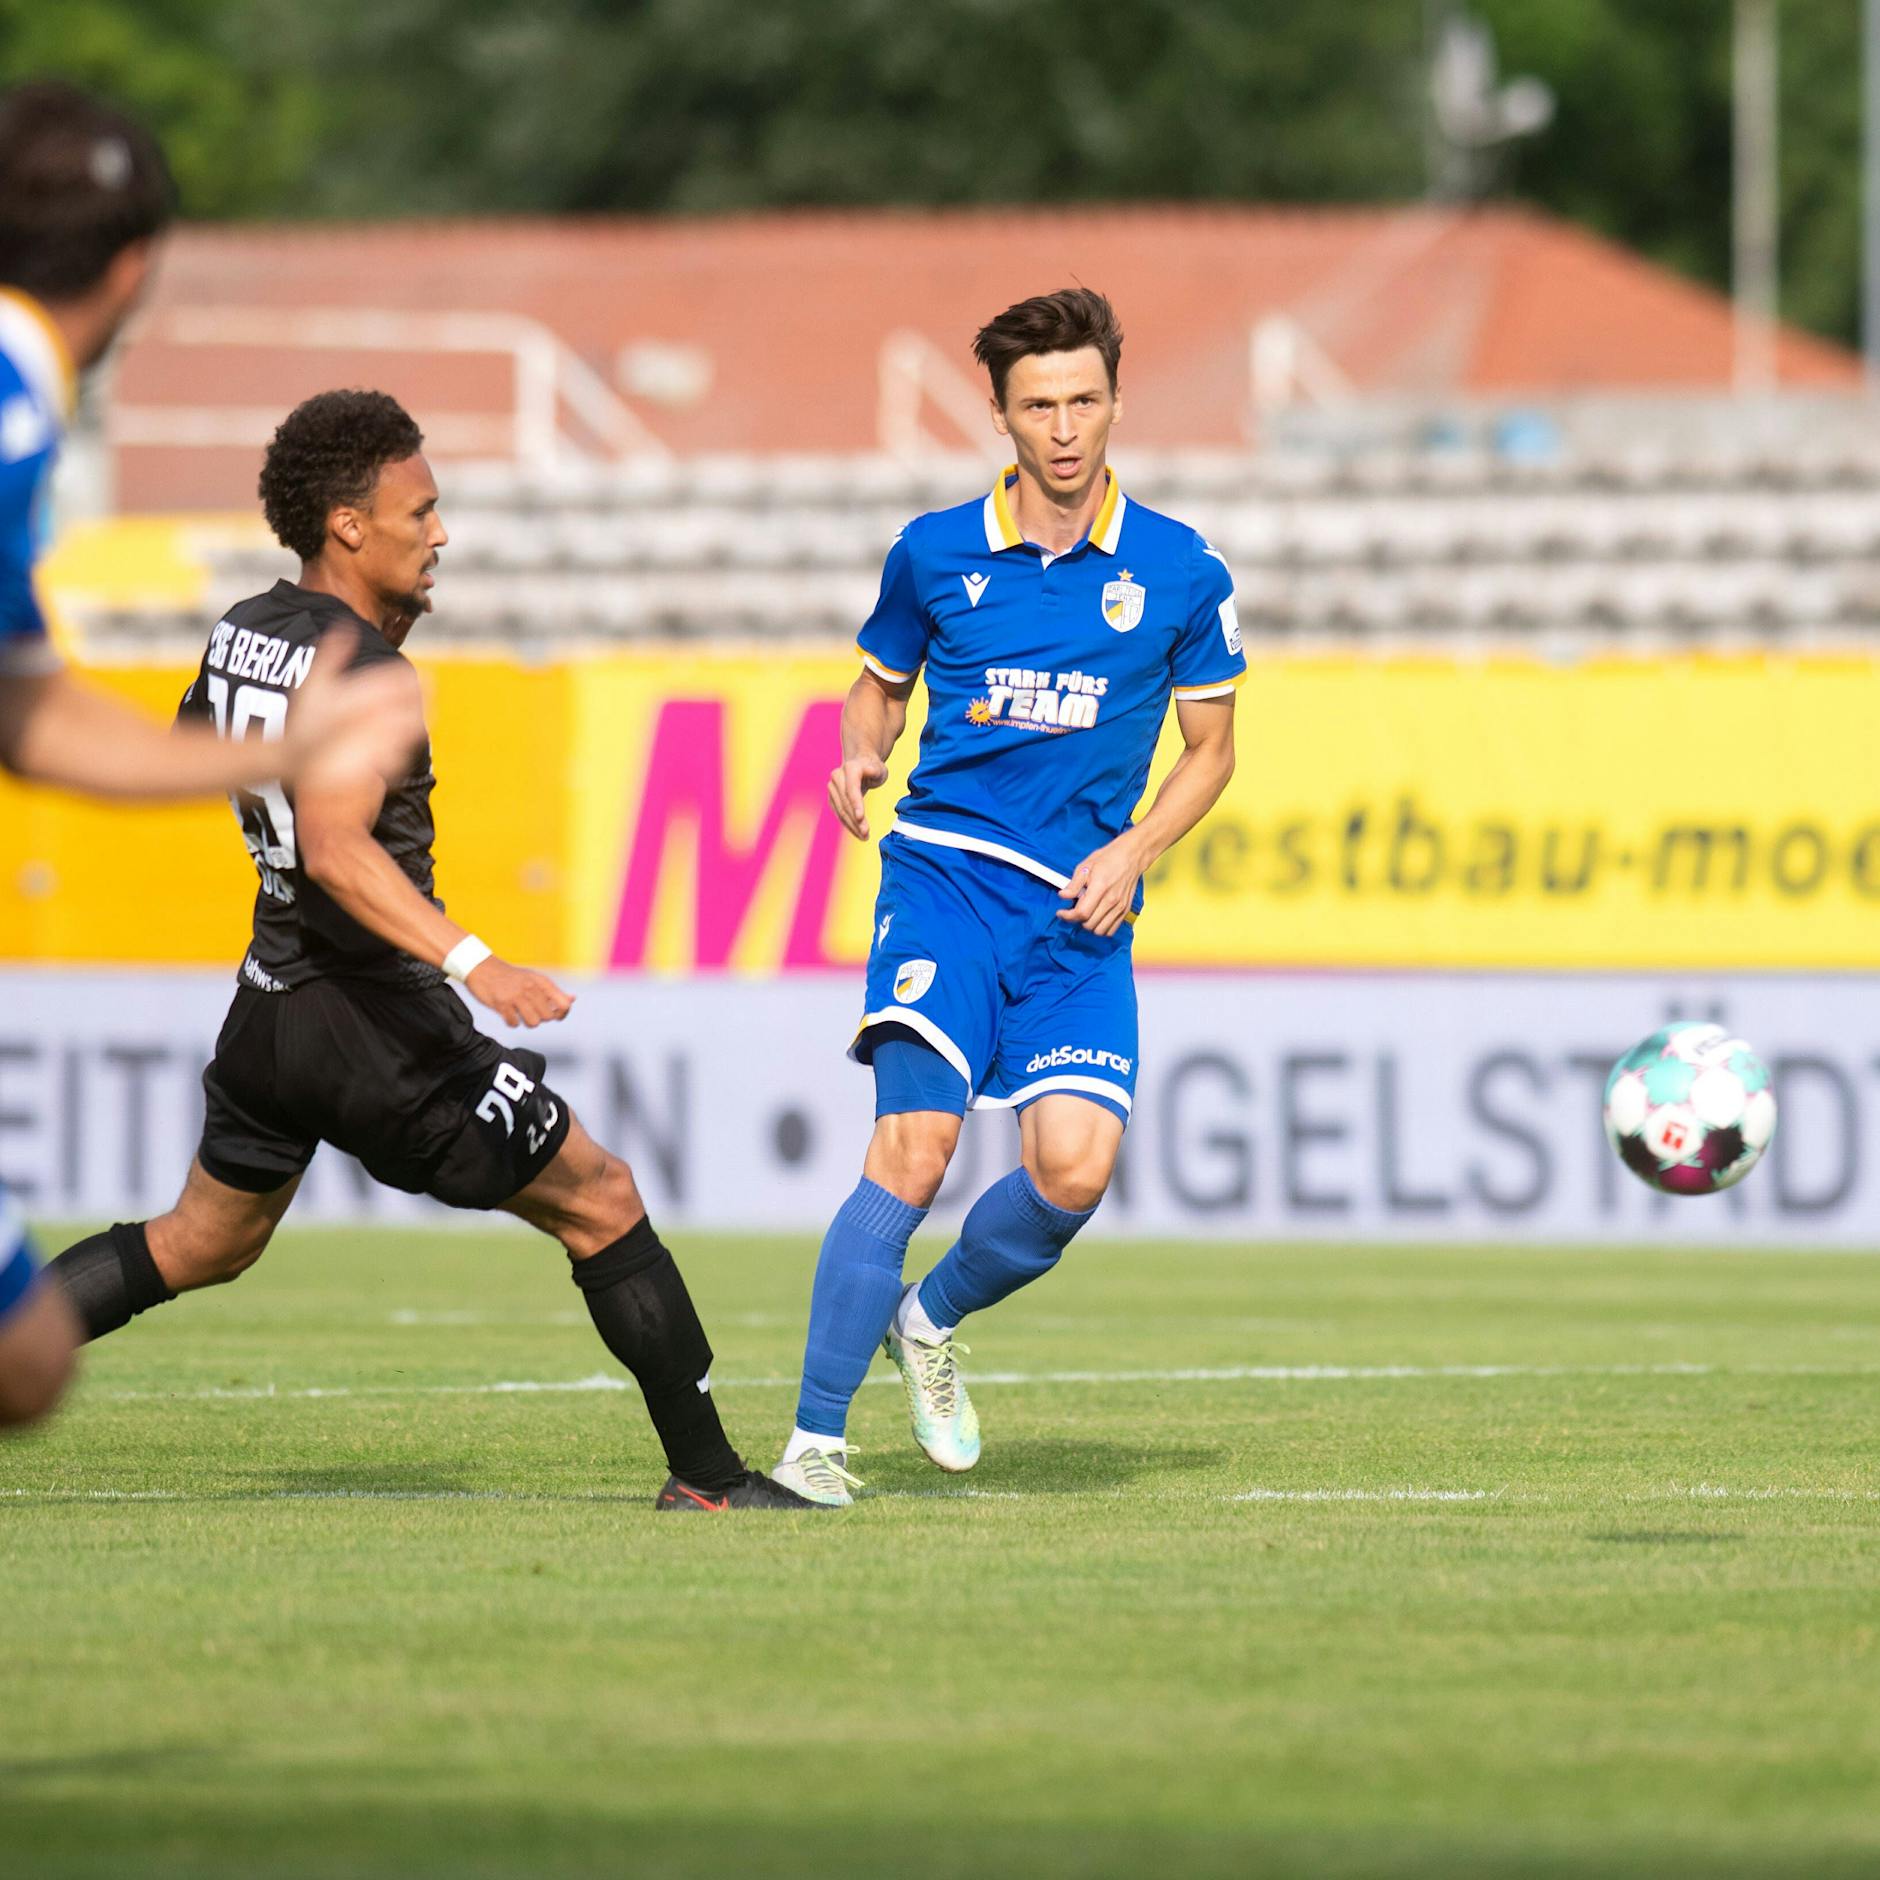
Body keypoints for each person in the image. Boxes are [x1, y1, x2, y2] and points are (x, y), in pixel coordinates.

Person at [43, 387, 813, 1512]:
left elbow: (197, 753)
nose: (440, 532)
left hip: (270, 1001)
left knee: (201, 1239)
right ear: (349, 523)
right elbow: (339, 848)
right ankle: (707, 1477)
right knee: (600, 1194)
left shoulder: (248, 626)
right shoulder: (366, 671)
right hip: (374, 1021)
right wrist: (474, 961)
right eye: (422, 510)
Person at [771, 288, 1244, 1505]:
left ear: (1115, 401)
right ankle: (813, 1447)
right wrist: (861, 748)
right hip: (942, 882)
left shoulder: (1180, 569)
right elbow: (873, 688)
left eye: (1084, 399)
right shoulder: (932, 551)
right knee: (914, 1146)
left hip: (1081, 916)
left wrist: (1135, 848)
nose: (1065, 427)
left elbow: (1211, 749)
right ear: (998, 414)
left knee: (1074, 1172)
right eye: (1038, 405)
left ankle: (925, 1319)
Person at [0, 82, 422, 1429]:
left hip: (272, 993)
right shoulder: (17, 407)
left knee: (34, 1353)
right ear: (135, 269)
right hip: (325, 998)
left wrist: (287, 746)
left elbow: (31, 713)